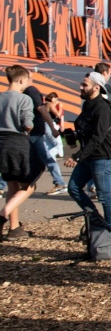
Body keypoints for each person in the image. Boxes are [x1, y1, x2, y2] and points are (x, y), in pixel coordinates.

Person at [64, 72, 111, 231]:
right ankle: (96, 220)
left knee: (104, 195)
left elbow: (98, 137)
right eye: (82, 84)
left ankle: (110, 230)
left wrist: (77, 156)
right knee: (73, 188)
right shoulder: (87, 105)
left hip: (103, 156)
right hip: (89, 155)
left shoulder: (103, 107)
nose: (81, 87)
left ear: (96, 88)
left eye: (84, 85)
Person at [0, 65, 37, 241]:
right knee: (29, 185)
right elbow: (28, 124)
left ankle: (14, 228)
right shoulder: (24, 99)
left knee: (12, 185)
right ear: (22, 80)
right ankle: (3, 214)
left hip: (1, 143)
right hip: (17, 143)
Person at [45, 92, 65, 158]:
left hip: (45, 124)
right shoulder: (50, 105)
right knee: (58, 145)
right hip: (50, 124)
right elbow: (58, 115)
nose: (57, 101)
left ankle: (52, 161)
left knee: (50, 144)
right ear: (52, 98)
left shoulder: (44, 104)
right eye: (56, 99)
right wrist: (60, 107)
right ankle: (47, 156)